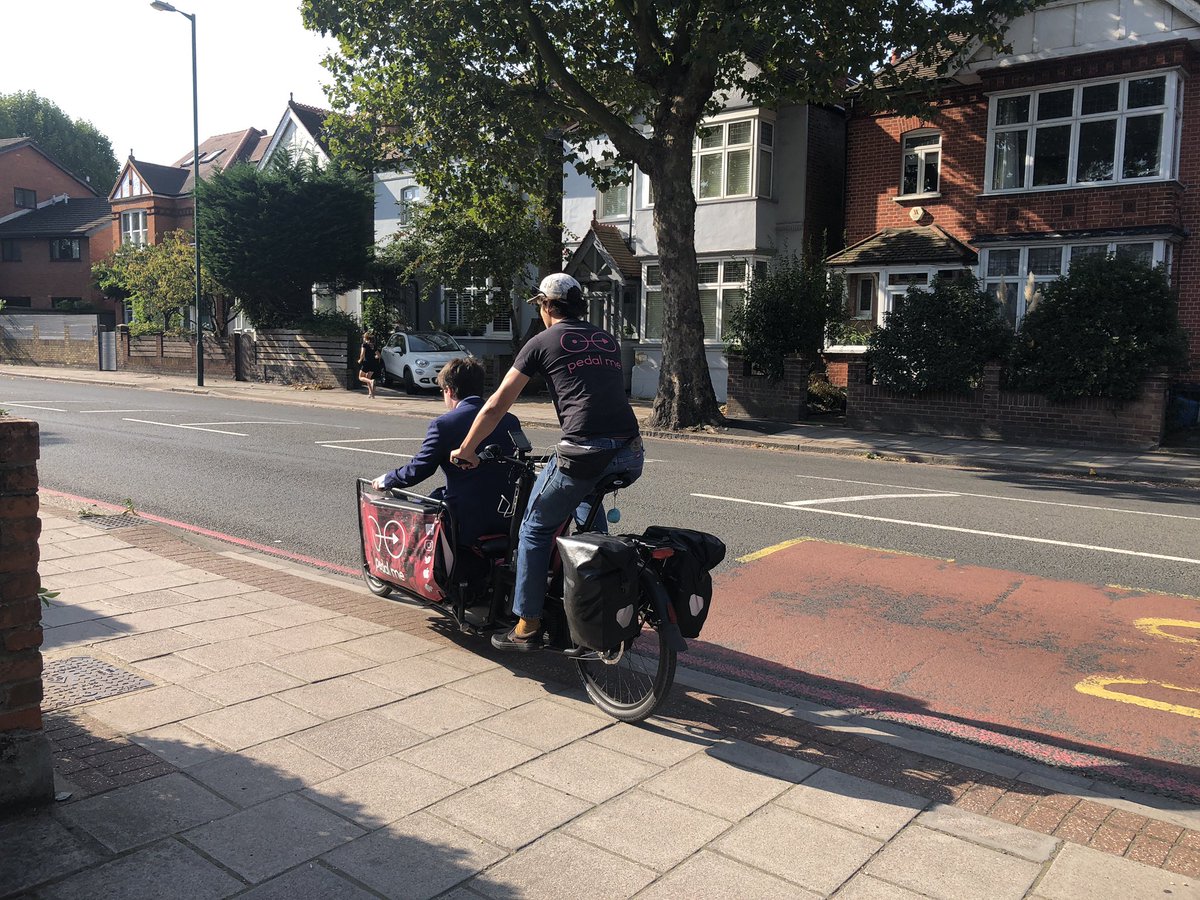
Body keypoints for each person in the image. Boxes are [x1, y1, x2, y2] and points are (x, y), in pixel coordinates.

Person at [451, 273, 643, 652]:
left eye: (540, 305)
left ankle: (527, 622)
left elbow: (496, 405)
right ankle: (596, 597)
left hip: (583, 452)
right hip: (631, 452)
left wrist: (466, 449)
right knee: (590, 522)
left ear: (547, 306)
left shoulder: (541, 341)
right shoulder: (605, 339)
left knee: (535, 529)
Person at [371, 357, 520, 548]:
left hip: (463, 518)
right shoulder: (510, 420)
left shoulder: (444, 424)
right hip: (507, 515)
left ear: (449, 390)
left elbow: (420, 469)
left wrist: (387, 480)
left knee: (413, 510)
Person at [358, 332, 381, 398]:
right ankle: (371, 394)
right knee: (368, 377)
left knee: (360, 377)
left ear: (365, 338)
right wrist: (374, 357)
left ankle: (371, 381)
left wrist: (360, 360)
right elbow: (379, 355)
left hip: (366, 363)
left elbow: (362, 354)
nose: (363, 338)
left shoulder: (364, 344)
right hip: (373, 363)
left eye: (363, 337)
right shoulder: (373, 345)